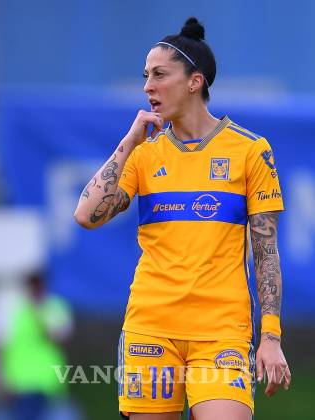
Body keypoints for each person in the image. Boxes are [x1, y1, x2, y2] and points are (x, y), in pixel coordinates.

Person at [74, 17, 290, 420]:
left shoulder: (250, 150)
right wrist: (128, 142)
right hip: (151, 328)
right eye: (145, 76)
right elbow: (86, 215)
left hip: (222, 332)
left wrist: (271, 337)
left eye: (159, 75)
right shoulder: (144, 152)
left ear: (194, 81)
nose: (147, 86)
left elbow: (266, 251)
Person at [0, 272, 73, 420]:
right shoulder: (13, 310)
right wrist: (1, 381)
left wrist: (39, 315)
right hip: (21, 385)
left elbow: (59, 337)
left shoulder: (54, 307)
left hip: (50, 384)